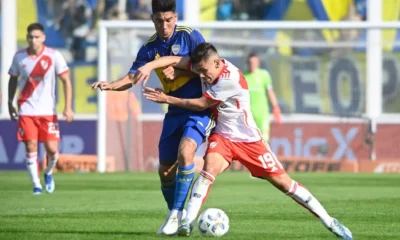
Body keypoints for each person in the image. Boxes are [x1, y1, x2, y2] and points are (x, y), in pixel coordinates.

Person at [139, 42, 352, 240]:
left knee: (285, 184)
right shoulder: (203, 66)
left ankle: (329, 221)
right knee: (207, 172)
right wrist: (151, 66)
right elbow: (177, 61)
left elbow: (202, 103)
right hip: (223, 136)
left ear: (217, 62)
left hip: (249, 141)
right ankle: (186, 224)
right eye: (199, 71)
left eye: (205, 71)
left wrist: (167, 98)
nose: (202, 75)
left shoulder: (230, 78)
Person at [91, 0, 213, 235]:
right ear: (153, 20)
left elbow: (208, 64)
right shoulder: (149, 48)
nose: (164, 26)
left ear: (175, 18)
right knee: (165, 170)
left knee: (186, 151)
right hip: (173, 110)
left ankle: (179, 214)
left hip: (198, 108)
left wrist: (179, 69)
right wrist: (111, 85)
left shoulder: (190, 36)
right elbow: (133, 76)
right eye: (159, 21)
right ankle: (174, 215)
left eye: (168, 20)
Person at [8, 23, 74, 195]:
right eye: (30, 37)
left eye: (37, 37)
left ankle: (48, 172)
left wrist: (68, 107)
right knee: (31, 146)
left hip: (48, 111)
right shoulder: (19, 57)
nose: (33, 40)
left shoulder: (54, 56)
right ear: (27, 37)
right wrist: (10, 102)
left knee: (52, 150)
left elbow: (66, 80)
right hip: (26, 109)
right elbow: (13, 79)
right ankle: (36, 185)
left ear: (43, 38)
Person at [243, 52, 281, 142]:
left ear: (258, 63)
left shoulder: (264, 75)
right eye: (250, 63)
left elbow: (270, 91)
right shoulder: (243, 76)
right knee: (250, 141)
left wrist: (275, 107)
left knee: (264, 141)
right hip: (248, 115)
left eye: (254, 62)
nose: (252, 65)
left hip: (262, 114)